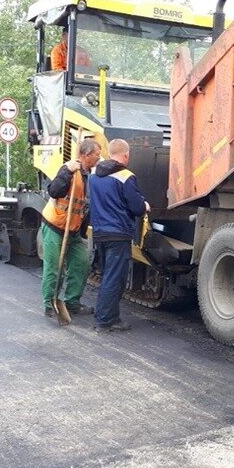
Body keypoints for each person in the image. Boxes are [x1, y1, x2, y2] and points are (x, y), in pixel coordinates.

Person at [88, 139, 149, 332]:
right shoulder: (125, 176)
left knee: (108, 276)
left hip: (100, 232)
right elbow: (137, 208)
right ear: (126, 154)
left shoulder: (94, 175)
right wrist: (144, 205)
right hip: (118, 233)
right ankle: (105, 321)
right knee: (115, 278)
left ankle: (108, 316)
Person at [41, 138, 102, 319]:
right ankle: (50, 303)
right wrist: (67, 172)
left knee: (81, 263)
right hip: (55, 225)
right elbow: (54, 191)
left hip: (73, 230)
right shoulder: (69, 170)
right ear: (85, 155)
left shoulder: (90, 175)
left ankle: (72, 302)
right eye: (96, 155)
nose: (99, 158)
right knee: (54, 267)